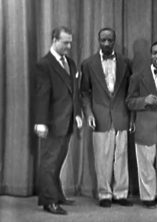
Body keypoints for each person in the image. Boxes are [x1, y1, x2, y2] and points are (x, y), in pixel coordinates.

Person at [81, 27, 132, 208]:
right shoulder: (88, 64)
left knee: (122, 155)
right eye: (103, 40)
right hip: (100, 116)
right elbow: (85, 93)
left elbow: (130, 92)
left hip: (121, 115)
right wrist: (88, 113)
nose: (107, 43)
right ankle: (104, 194)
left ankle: (121, 193)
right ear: (98, 41)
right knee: (102, 158)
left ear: (115, 41)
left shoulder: (126, 62)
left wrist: (131, 117)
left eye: (110, 40)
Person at [34, 26, 83, 215]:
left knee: (59, 161)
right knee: (49, 162)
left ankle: (57, 194)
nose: (69, 46)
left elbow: (74, 92)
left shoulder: (70, 63)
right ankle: (49, 201)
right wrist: (40, 122)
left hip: (67, 121)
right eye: (65, 42)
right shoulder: (44, 64)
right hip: (52, 122)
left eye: (70, 42)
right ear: (54, 40)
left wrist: (77, 114)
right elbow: (42, 95)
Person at [126, 42, 157, 209]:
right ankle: (148, 197)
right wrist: (144, 101)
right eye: (155, 53)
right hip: (145, 126)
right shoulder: (137, 77)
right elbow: (129, 102)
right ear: (150, 55)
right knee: (145, 165)